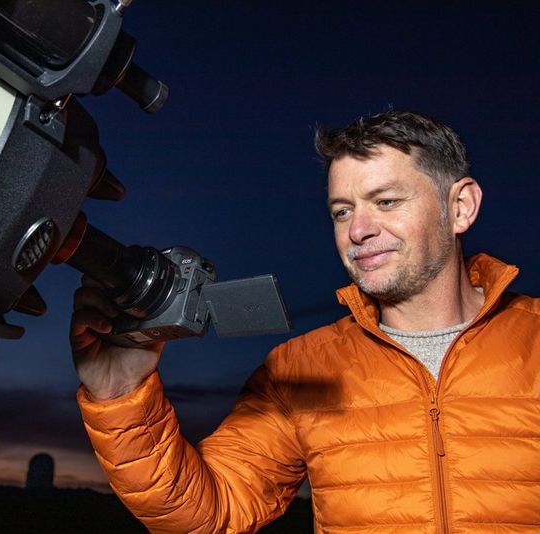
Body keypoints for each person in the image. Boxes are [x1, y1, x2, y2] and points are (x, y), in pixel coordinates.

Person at [69, 111, 540, 533]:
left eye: (387, 201)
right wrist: (120, 397)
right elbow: (210, 515)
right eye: (342, 211)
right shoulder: (299, 368)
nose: (358, 230)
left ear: (459, 207)